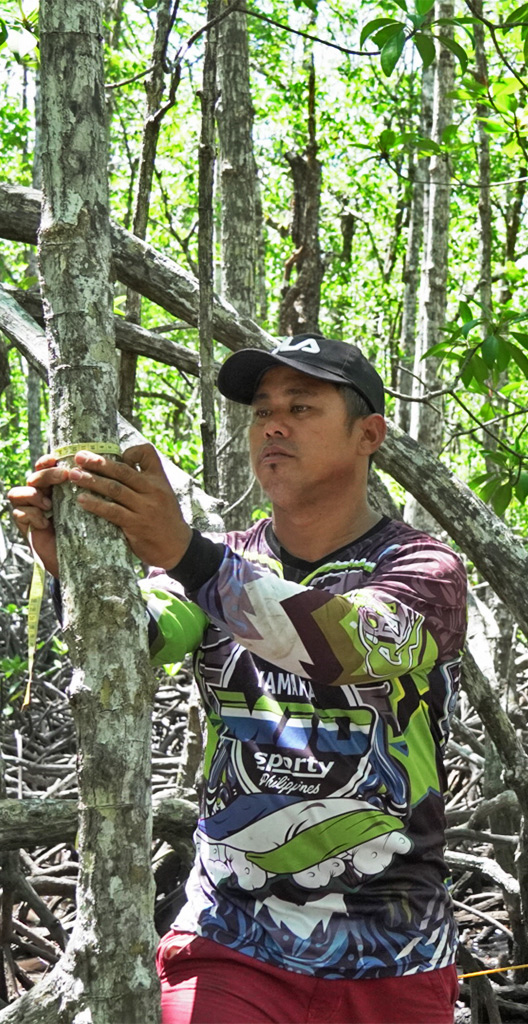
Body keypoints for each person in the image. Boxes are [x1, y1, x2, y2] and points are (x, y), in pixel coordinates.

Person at [8, 334, 467, 1024]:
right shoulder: (209, 565)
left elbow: (346, 644)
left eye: (303, 407)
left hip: (396, 947)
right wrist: (77, 565)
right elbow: (141, 636)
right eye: (262, 410)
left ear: (368, 434)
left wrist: (187, 553)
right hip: (232, 939)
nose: (274, 425)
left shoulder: (425, 571)